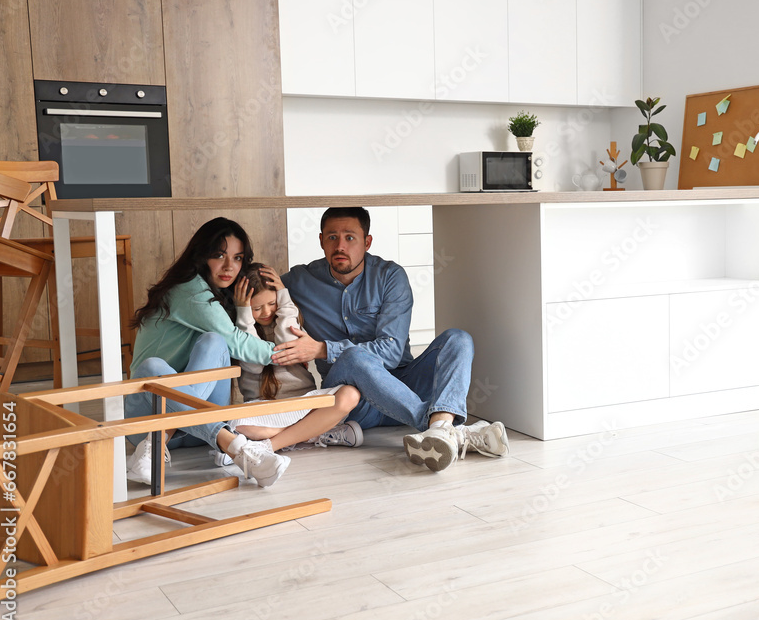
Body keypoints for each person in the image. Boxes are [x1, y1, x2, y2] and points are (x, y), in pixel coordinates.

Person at [272, 207, 509, 472]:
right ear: (320, 240)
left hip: (406, 384)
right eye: (332, 237)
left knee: (459, 339)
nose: (340, 246)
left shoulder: (389, 276)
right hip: (353, 401)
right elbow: (258, 293)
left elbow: (392, 352)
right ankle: (443, 428)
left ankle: (439, 429)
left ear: (367, 242)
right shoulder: (300, 280)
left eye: (350, 237)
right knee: (353, 357)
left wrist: (321, 349)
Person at [125, 217, 292, 488]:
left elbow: (229, 341)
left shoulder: (219, 295)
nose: (230, 266)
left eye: (238, 258)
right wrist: (287, 352)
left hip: (192, 432)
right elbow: (237, 342)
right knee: (152, 368)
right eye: (219, 255)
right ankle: (238, 450)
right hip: (146, 419)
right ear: (201, 256)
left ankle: (157, 444)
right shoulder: (190, 290)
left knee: (214, 342)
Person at [224, 262, 363, 452]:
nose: (266, 312)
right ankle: (314, 433)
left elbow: (287, 347)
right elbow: (255, 365)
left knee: (350, 394)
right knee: (236, 424)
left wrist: (285, 300)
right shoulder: (239, 332)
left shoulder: (288, 320)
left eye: (272, 303)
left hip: (302, 401)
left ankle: (271, 444)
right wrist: (244, 316)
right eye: (256, 308)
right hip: (266, 408)